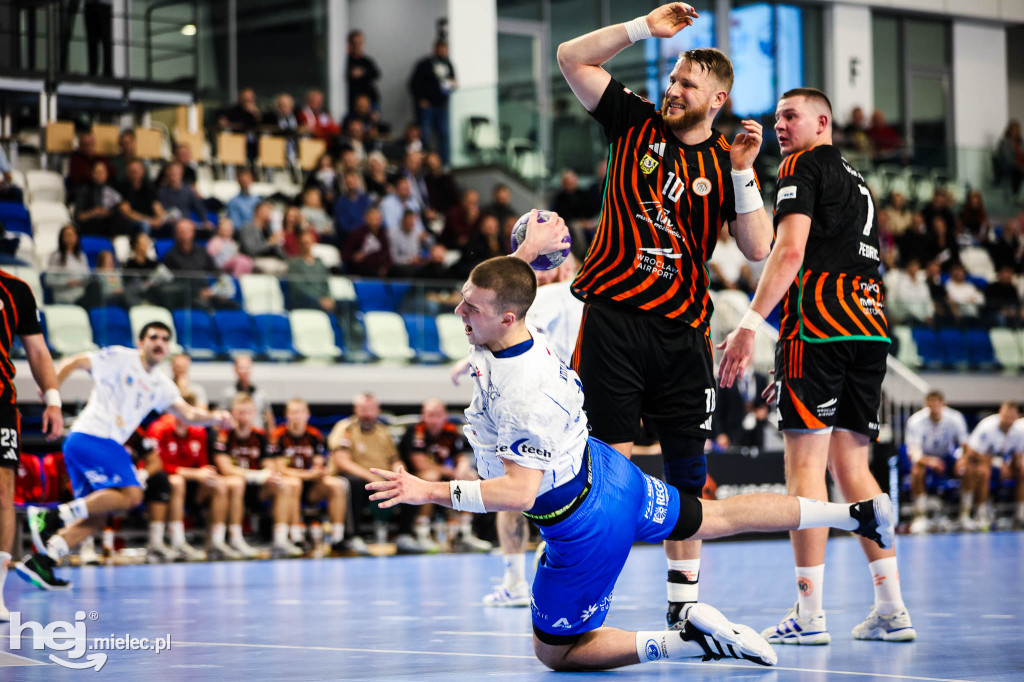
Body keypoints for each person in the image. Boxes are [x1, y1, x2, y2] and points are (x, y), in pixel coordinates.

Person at [367, 253, 895, 671]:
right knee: (715, 517)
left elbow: (517, 495)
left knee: (556, 653)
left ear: (506, 317)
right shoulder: (526, 332)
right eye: (463, 302)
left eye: (470, 309)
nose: (459, 313)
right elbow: (511, 286)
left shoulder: (521, 396)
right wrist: (524, 254)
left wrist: (427, 491)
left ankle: (686, 644)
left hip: (581, 524)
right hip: (609, 474)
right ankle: (856, 515)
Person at [557, 2, 773, 628]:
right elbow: (572, 56)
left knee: (688, 473)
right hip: (615, 324)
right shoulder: (633, 122)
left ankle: (684, 610)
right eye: (673, 80)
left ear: (718, 98)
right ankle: (592, 599)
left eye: (689, 86)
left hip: (683, 337)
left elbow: (758, 247)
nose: (674, 91)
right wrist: (641, 30)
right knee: (610, 470)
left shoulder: (725, 164)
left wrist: (743, 174)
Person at [718, 87, 915, 644]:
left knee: (804, 470)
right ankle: (892, 608)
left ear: (821, 120)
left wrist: (750, 325)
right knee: (854, 469)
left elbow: (789, 250)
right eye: (777, 116)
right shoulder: (858, 179)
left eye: (790, 115)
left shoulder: (802, 163)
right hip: (869, 325)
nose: (779, 124)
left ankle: (808, 617)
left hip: (820, 325)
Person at [16, 322, 232, 590]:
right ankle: (51, 517)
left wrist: (215, 417)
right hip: (93, 436)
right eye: (154, 337)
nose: (159, 342)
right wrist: (52, 393)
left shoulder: (162, 385)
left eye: (165, 339)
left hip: (91, 444)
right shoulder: (120, 358)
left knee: (97, 516)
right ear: (141, 343)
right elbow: (76, 361)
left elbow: (187, 414)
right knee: (133, 494)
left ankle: (42, 562)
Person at [0, 270, 63, 619]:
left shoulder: (15, 290)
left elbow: (37, 352)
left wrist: (52, 400)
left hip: (0, 404)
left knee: (2, 492)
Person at [148, 393, 253, 560]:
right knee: (177, 482)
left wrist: (206, 474)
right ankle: (177, 541)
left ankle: (217, 542)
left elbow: (203, 464)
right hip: (166, 483)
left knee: (220, 484)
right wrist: (194, 474)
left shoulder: (198, 431)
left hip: (195, 485)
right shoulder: (160, 429)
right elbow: (157, 465)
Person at [328, 393, 422, 553]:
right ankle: (352, 536)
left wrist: (400, 474)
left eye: (371, 409)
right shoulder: (345, 428)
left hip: (381, 478)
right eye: (362, 409)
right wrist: (371, 478)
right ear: (355, 410)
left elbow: (394, 459)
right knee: (353, 484)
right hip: (357, 478)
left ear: (377, 410)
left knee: (408, 482)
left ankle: (405, 535)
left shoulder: (382, 431)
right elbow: (342, 462)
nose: (367, 414)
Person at [212, 394, 303, 559]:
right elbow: (225, 468)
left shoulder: (260, 436)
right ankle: (234, 538)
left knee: (284, 483)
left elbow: (269, 464)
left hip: (257, 489)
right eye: (240, 413)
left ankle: (281, 539)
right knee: (236, 482)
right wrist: (256, 476)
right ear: (233, 413)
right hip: (232, 489)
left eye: (248, 412)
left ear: (255, 413)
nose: (244, 417)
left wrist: (269, 474)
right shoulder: (224, 435)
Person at [398, 399, 492, 552]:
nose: (434, 420)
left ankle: (465, 531)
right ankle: (422, 532)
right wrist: (452, 472)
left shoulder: (450, 431)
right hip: (415, 477)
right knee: (430, 477)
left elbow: (460, 456)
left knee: (470, 476)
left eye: (438, 415)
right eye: (430, 415)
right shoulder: (416, 432)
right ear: (423, 415)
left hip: (442, 474)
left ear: (445, 416)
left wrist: (462, 466)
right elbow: (420, 463)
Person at [267, 399, 355, 555]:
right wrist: (307, 475)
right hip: (287, 485)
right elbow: (280, 468)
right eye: (293, 412)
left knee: (337, 485)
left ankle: (337, 537)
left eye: (300, 412)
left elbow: (318, 463)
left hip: (311, 485)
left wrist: (318, 471)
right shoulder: (278, 435)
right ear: (287, 415)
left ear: (307, 415)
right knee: (293, 483)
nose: (297, 416)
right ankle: (294, 537)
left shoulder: (314, 435)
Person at [903, 391, 968, 534]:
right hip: (926, 459)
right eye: (931, 403)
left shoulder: (955, 418)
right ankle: (920, 516)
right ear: (927, 405)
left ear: (943, 404)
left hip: (948, 458)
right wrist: (930, 461)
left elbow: (965, 444)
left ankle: (966, 515)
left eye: (937, 403)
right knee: (917, 470)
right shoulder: (915, 421)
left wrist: (962, 460)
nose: (934, 406)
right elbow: (913, 453)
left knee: (971, 468)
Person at [957, 401, 1020, 530]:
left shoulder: (1019, 431)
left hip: (1001, 465)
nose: (1008, 419)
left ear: (1016, 417)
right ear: (1000, 413)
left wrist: (1016, 465)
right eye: (1005, 415)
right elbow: (972, 452)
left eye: (1011, 416)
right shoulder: (987, 426)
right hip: (976, 461)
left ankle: (1021, 514)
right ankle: (975, 514)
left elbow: (1018, 454)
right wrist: (997, 463)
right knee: (983, 472)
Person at [409, 39, 456, 165]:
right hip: (427, 107)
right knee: (425, 134)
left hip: (441, 106)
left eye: (445, 48)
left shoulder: (448, 64)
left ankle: (444, 163)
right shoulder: (425, 64)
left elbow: (452, 82)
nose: (442, 51)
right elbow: (413, 83)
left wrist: (453, 85)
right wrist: (421, 99)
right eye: (440, 48)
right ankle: (425, 161)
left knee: (444, 134)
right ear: (435, 48)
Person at [221, 355, 274, 431]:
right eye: (241, 368)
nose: (244, 371)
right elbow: (221, 417)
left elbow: (269, 418)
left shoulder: (261, 394)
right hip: (235, 435)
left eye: (246, 367)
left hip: (258, 435)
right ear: (235, 369)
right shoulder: (228, 394)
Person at [346, 30, 381, 111]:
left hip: (370, 99)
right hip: (353, 102)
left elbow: (377, 74)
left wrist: (363, 73)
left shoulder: (367, 61)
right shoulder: (345, 62)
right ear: (349, 44)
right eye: (354, 43)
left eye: (360, 43)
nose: (357, 46)